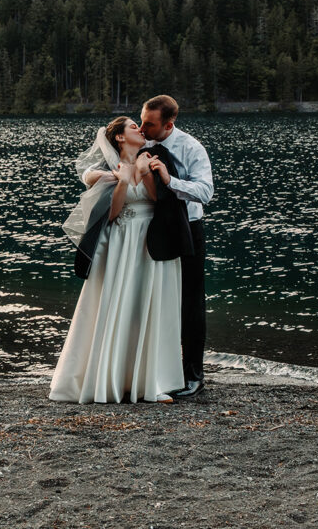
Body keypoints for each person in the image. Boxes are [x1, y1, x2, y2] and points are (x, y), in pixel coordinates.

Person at [49, 116, 184, 404]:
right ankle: (109, 379)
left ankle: (149, 383)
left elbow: (160, 200)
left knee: (149, 306)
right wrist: (123, 181)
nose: (140, 128)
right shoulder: (110, 171)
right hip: (121, 242)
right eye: (133, 126)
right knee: (117, 305)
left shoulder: (154, 159)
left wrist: (147, 172)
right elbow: (111, 214)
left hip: (151, 241)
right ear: (120, 138)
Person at [139, 95, 213, 398]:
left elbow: (205, 192)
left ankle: (194, 374)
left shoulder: (192, 148)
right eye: (141, 120)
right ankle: (154, 370)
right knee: (153, 298)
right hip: (147, 229)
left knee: (191, 302)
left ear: (169, 124)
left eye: (150, 123)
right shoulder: (139, 143)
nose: (142, 127)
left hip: (186, 229)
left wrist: (171, 181)